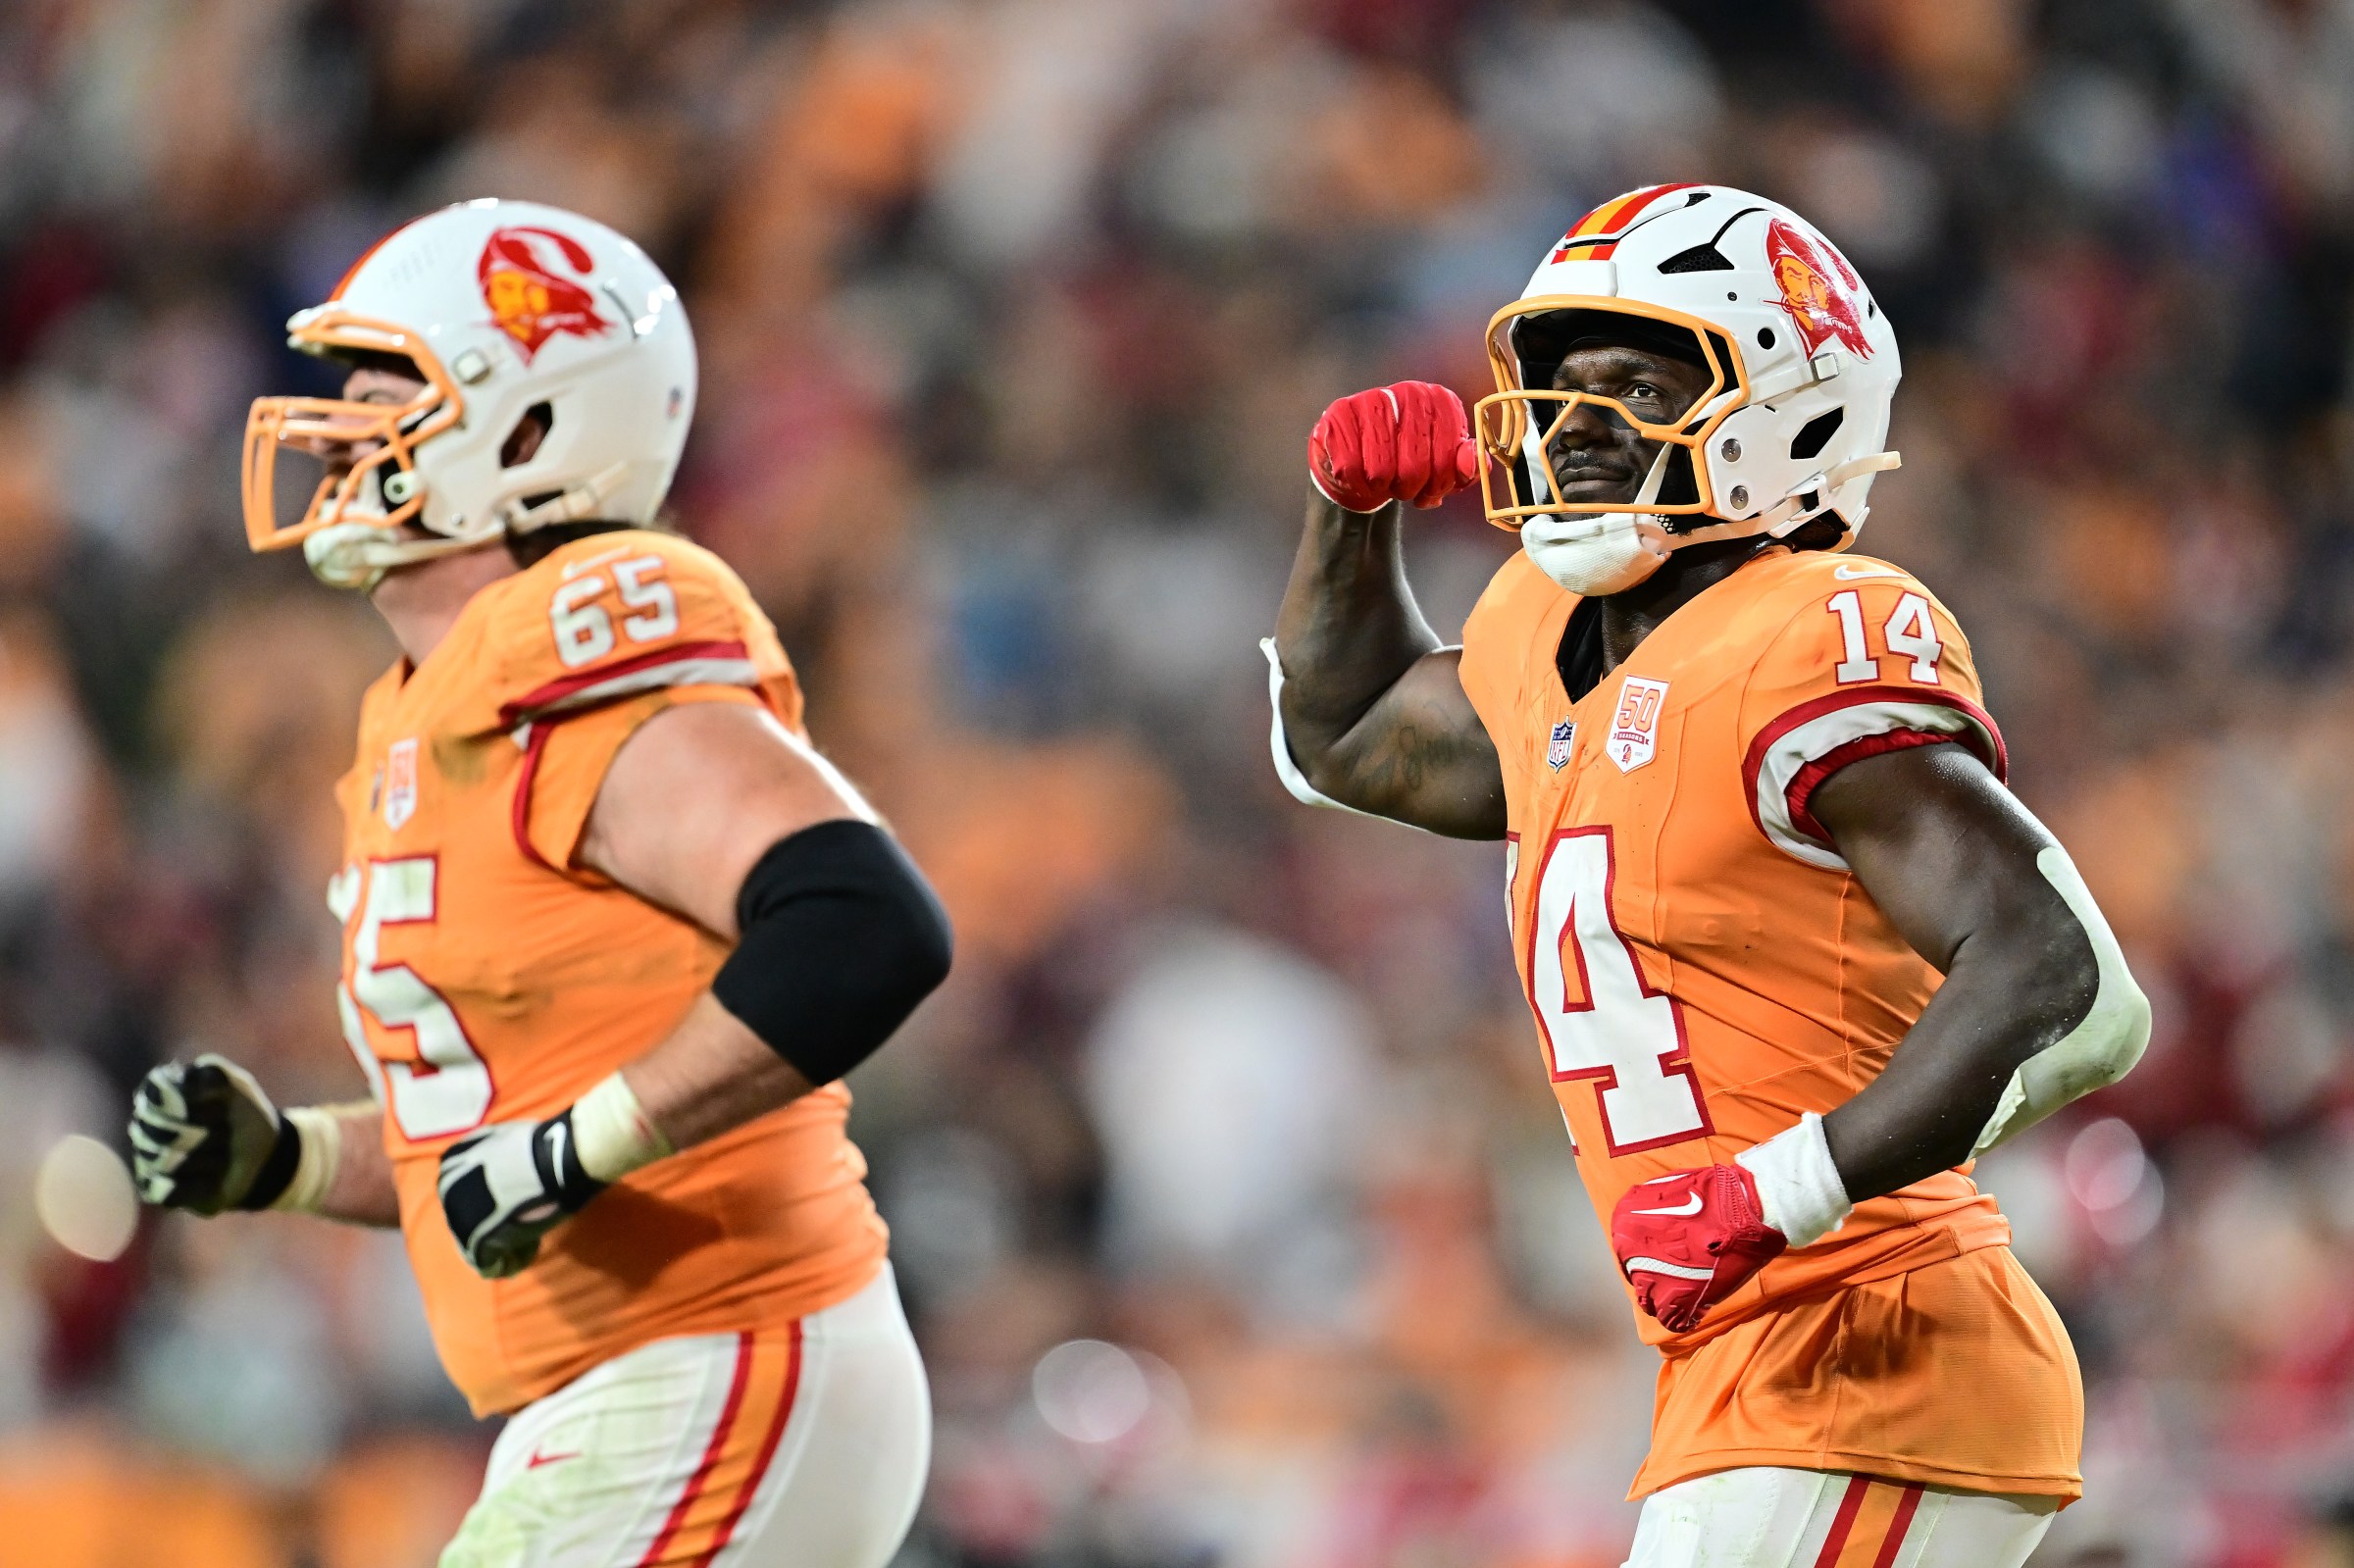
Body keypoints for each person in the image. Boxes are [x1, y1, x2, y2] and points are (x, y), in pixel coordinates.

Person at [1265, 183, 2151, 1567]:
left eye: (1642, 381)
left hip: (1871, 1352)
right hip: (1748, 1379)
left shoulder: (1808, 633)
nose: (1582, 420)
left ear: (1795, 405)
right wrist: (1347, 516)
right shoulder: (1542, 629)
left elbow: (2069, 979)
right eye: (1565, 384)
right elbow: (1352, 741)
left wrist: (1774, 1192)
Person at [126, 199, 951, 1568]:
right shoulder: (426, 714)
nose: (336, 429)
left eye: (387, 390)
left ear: (525, 434)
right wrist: (289, 1159)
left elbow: (862, 922)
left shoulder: (577, 664)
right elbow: (491, 1139)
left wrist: (587, 1149)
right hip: (633, 1395)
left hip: (723, 1358)